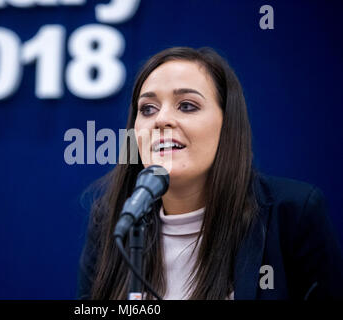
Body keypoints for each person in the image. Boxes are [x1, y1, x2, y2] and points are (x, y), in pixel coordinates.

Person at [76, 46, 343, 300]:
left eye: (187, 106)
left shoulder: (293, 214)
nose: (161, 120)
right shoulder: (115, 221)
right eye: (147, 109)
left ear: (227, 125)